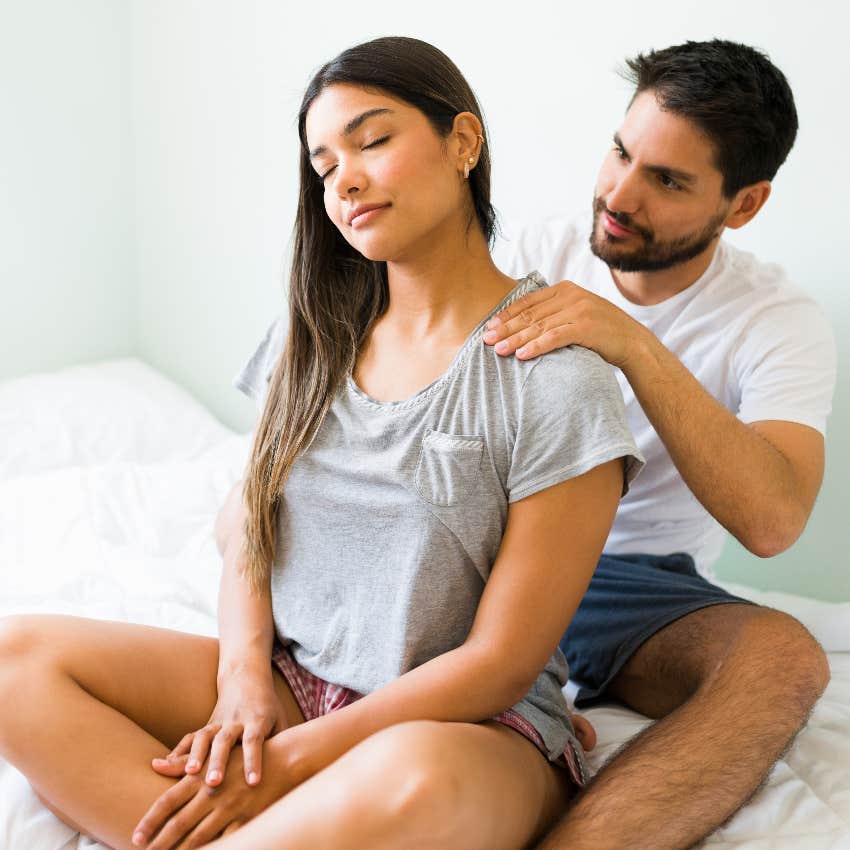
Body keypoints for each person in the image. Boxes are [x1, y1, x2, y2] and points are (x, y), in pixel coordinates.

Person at [0, 37, 643, 850]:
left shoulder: (555, 378)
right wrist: (242, 687)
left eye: (372, 140)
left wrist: (298, 758)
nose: (343, 177)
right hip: (294, 685)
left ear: (463, 143)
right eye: (323, 162)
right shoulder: (309, 339)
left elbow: (501, 663)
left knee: (417, 781)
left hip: (467, 726)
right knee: (13, 662)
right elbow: (248, 526)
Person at [484, 39, 837, 850]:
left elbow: (776, 521)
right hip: (492, 547)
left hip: (629, 588)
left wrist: (633, 345)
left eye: (667, 180)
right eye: (620, 152)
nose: (618, 193)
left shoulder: (777, 321)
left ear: (742, 205)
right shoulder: (525, 256)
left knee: (786, 661)